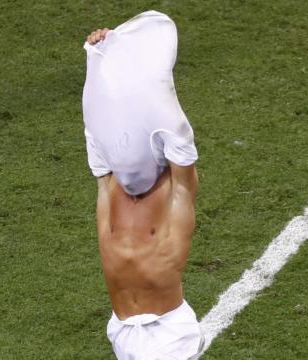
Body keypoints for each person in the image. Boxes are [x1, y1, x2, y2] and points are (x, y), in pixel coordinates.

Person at [82, 10, 204, 360]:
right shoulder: (109, 187)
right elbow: (100, 119)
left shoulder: (174, 191)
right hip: (121, 330)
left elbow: (180, 140)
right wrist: (105, 55)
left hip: (168, 335)